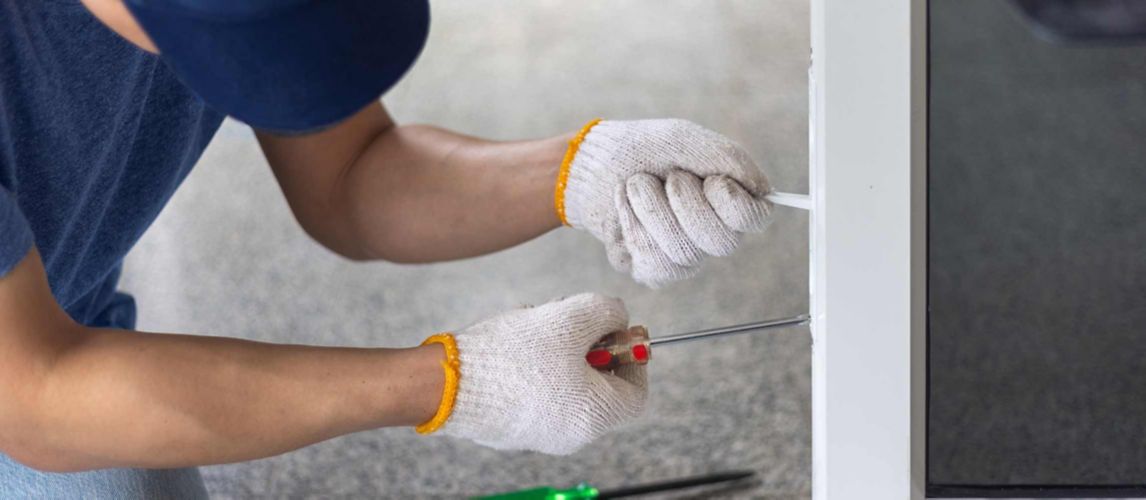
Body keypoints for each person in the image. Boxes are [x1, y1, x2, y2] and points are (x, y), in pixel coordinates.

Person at [0, 0, 775, 497]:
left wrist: (583, 170)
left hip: (61, 318)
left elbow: (353, 174)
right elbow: (39, 393)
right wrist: (452, 382)